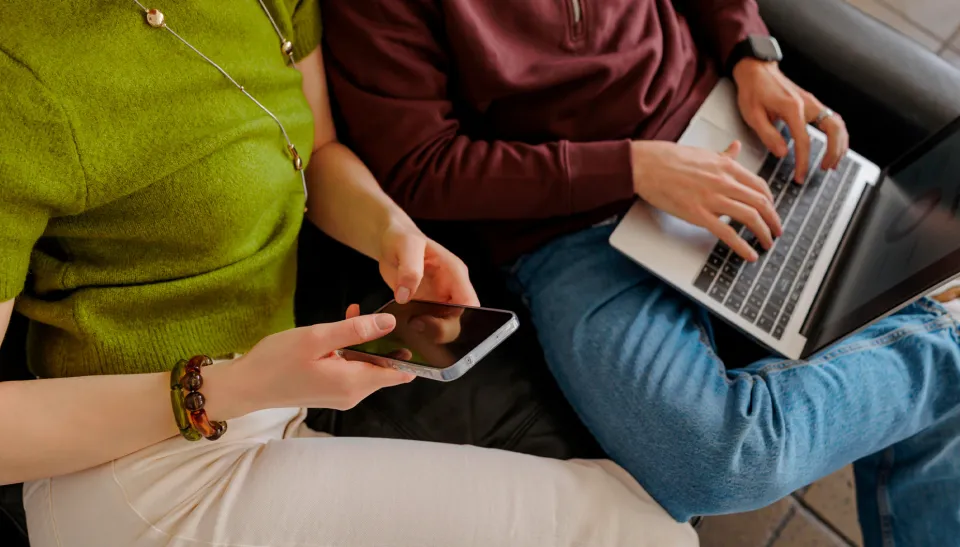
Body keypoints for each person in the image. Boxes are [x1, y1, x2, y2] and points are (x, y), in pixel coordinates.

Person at [0, 2, 698, 546]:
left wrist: (394, 233)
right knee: (642, 532)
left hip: (268, 410)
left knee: (645, 510)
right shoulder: (18, 70)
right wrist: (236, 384)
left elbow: (319, 148)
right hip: (148, 475)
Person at [319, 0, 960, 545]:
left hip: (722, 135)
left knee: (903, 335)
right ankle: (950, 335)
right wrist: (633, 168)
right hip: (565, 230)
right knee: (714, 463)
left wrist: (753, 55)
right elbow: (420, 168)